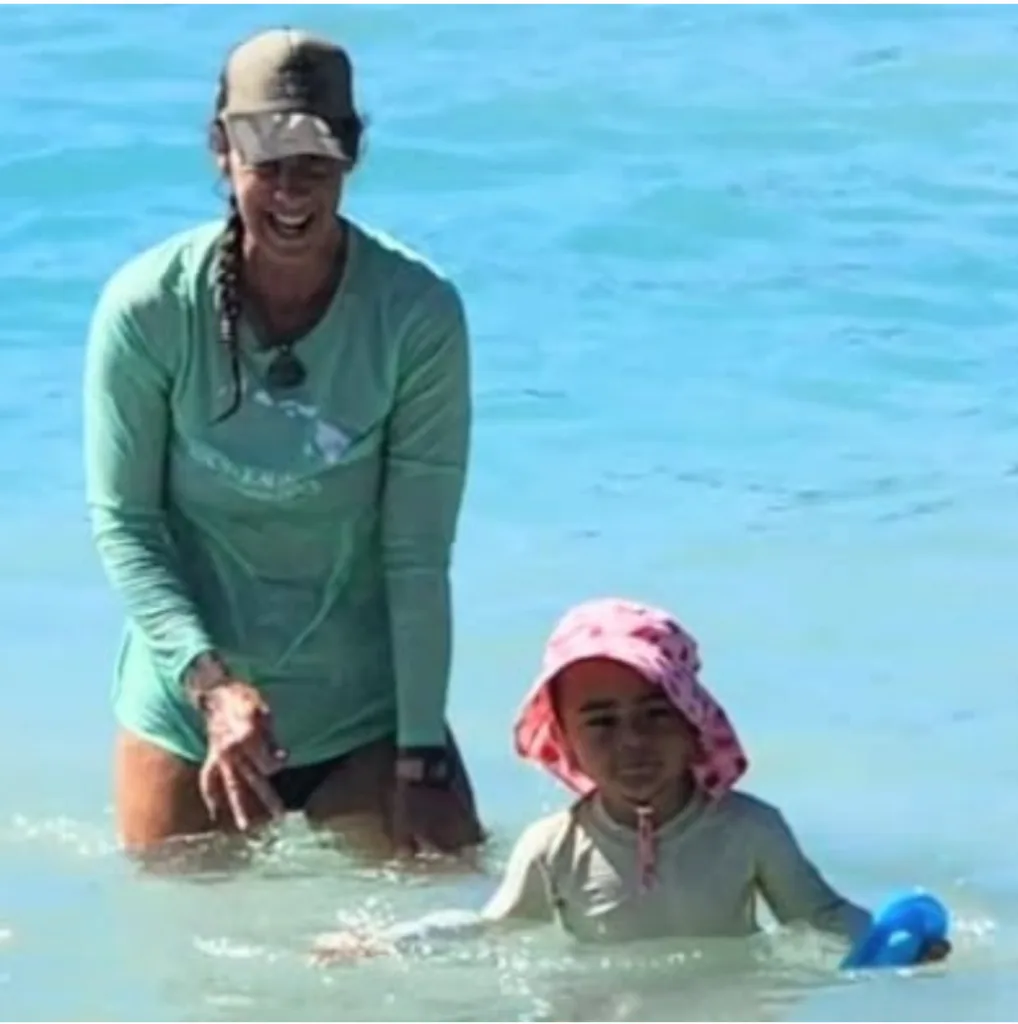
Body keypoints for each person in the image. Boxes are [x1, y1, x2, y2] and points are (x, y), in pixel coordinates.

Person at [83, 26, 484, 860]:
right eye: (267, 160)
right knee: (192, 964)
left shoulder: (416, 313)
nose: (291, 191)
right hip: (189, 705)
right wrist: (212, 687)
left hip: (365, 707)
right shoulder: (150, 308)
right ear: (220, 153)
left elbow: (417, 551)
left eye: (316, 162)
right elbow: (128, 525)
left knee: (426, 947)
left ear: (353, 155)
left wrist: (420, 755)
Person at [311, 598, 951, 962]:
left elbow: (820, 914)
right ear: (563, 738)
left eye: (654, 715)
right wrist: (386, 943)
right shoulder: (555, 846)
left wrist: (897, 945)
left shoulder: (748, 830)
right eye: (602, 724)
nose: (633, 743)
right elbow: (494, 927)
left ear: (695, 718)